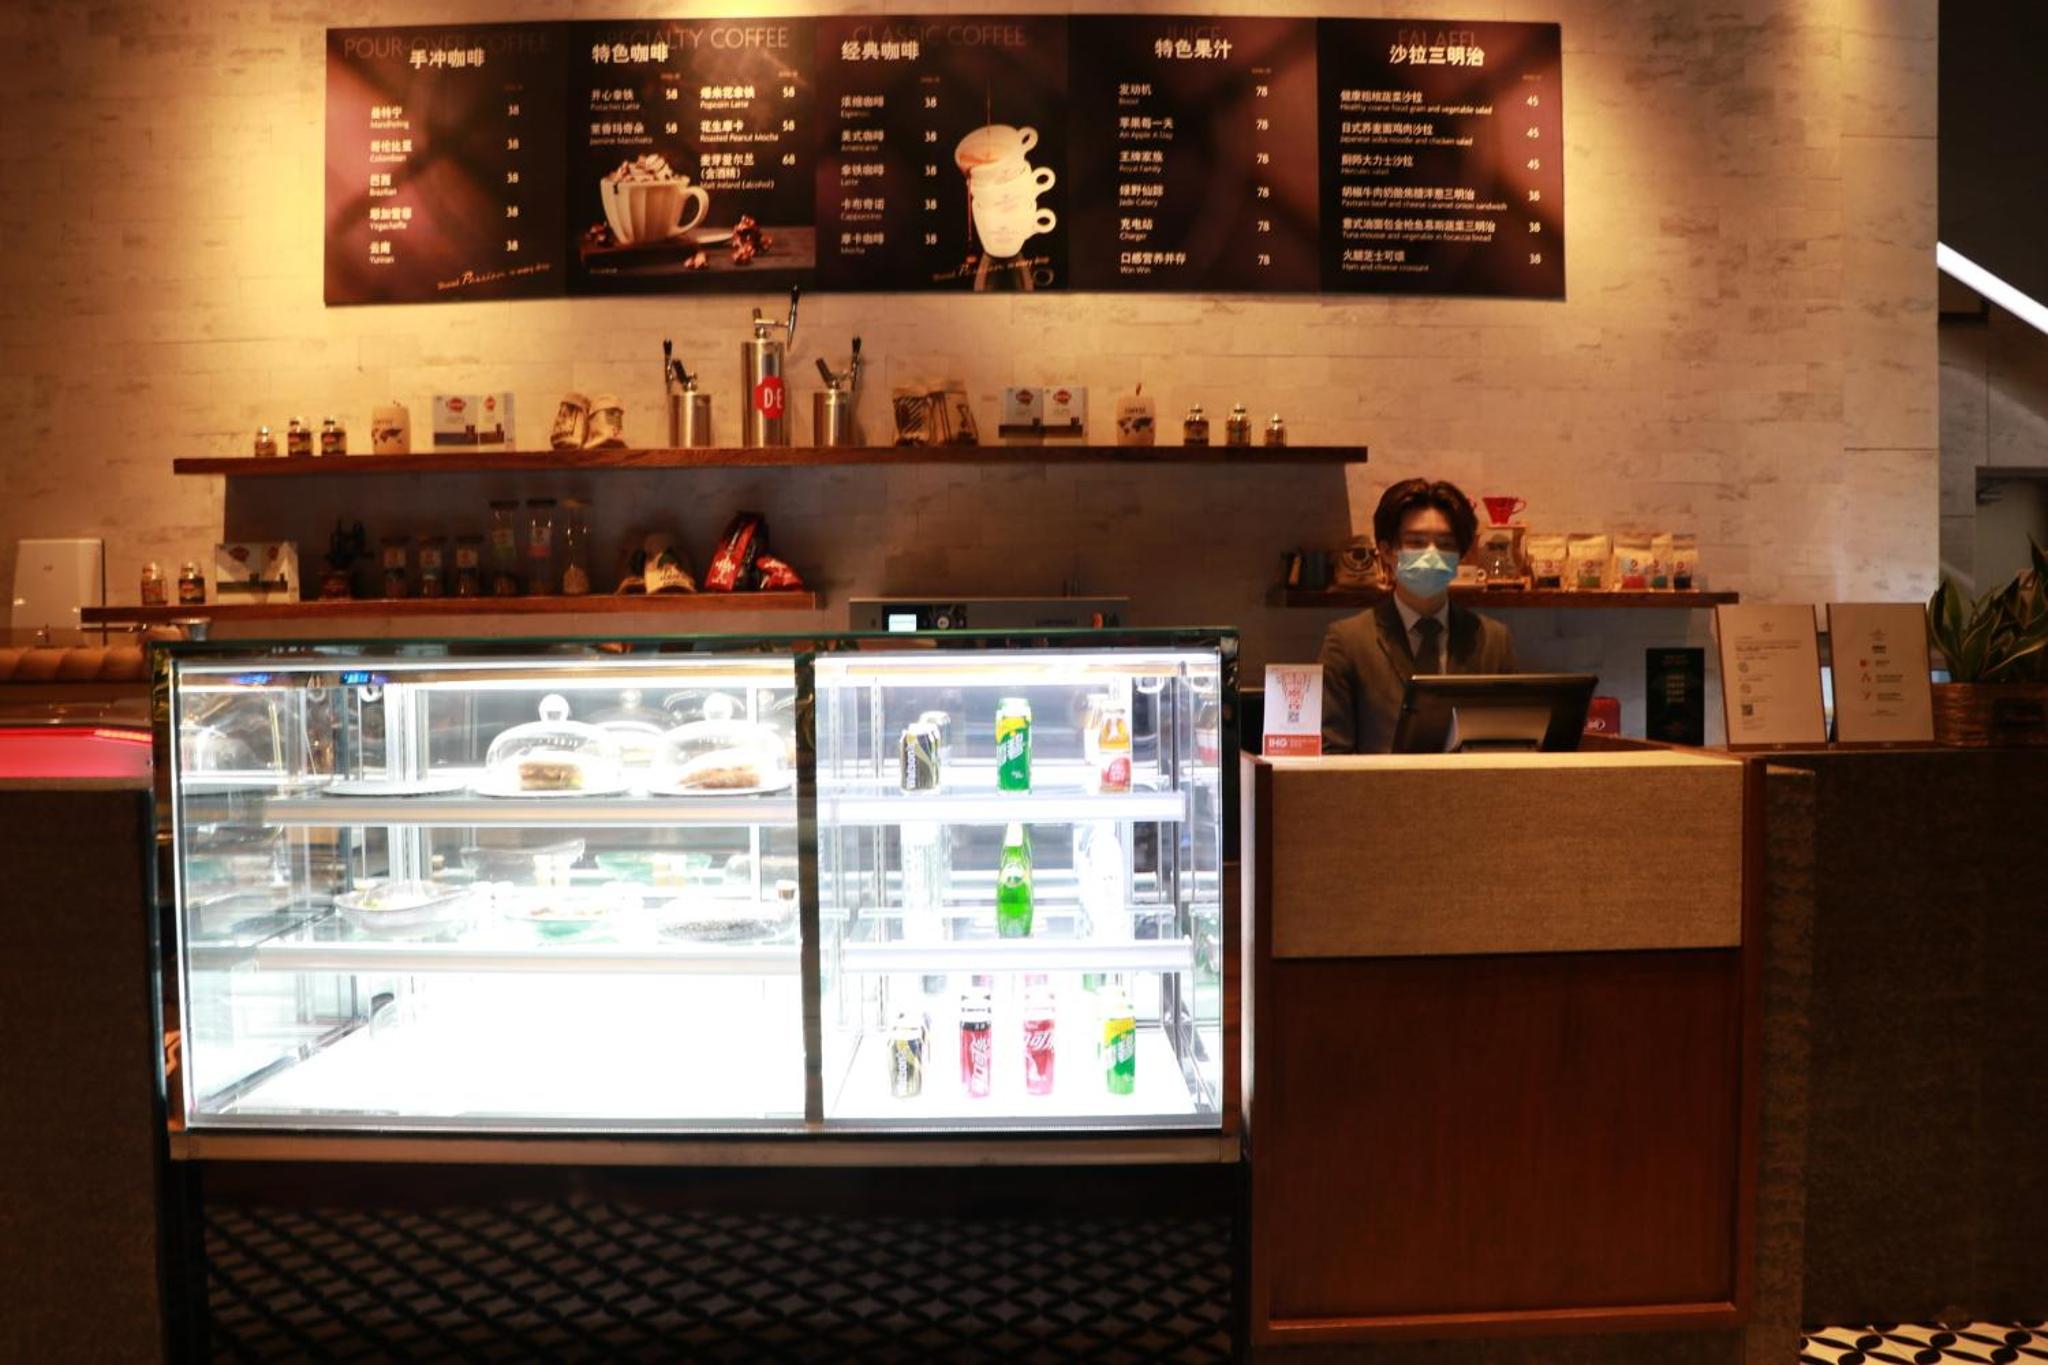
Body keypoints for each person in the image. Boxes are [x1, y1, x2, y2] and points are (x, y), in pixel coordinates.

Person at [1319, 478, 1518, 754]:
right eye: (1416, 542)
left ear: (1460, 555)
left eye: (1445, 544)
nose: (1432, 554)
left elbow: (1511, 746)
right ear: (1387, 551)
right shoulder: (1347, 642)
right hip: (1382, 783)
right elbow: (1332, 755)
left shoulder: (1493, 640)